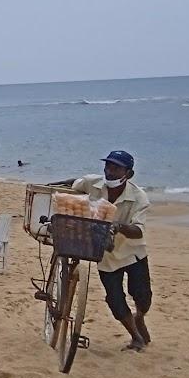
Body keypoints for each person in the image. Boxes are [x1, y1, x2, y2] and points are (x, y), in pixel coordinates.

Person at [70, 150, 152, 352]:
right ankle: (136, 337)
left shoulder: (139, 198)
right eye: (108, 166)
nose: (110, 171)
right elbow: (74, 184)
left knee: (143, 296)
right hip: (105, 254)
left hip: (132, 253)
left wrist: (118, 226)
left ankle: (139, 317)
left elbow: (138, 231)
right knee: (115, 299)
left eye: (116, 168)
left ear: (129, 174)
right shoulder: (94, 183)